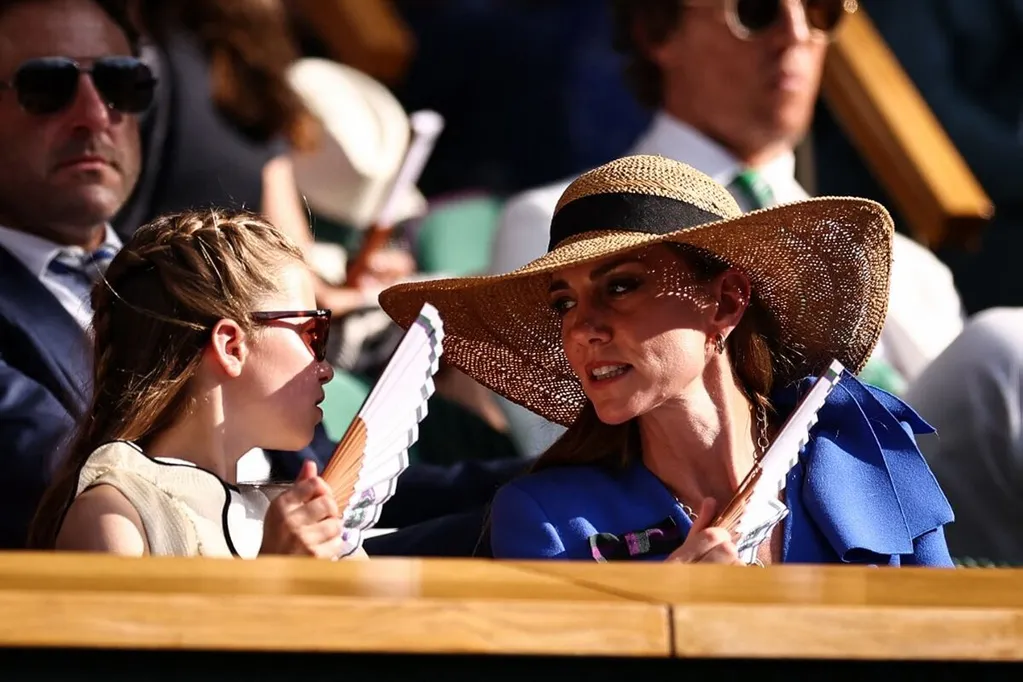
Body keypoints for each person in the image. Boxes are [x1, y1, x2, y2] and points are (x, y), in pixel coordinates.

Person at [381, 155, 955, 567]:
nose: (581, 328)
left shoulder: (863, 456)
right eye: (564, 302)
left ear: (727, 300)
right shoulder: (548, 521)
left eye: (622, 286)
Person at [489, 0, 965, 456]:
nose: (797, 34)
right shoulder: (558, 225)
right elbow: (586, 462)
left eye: (820, 8)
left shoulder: (914, 268)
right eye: (755, 10)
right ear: (658, 30)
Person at [27, 210, 353, 557]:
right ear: (231, 346)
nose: (325, 369)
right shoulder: (116, 515)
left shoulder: (277, 511)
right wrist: (273, 569)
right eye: (312, 333)